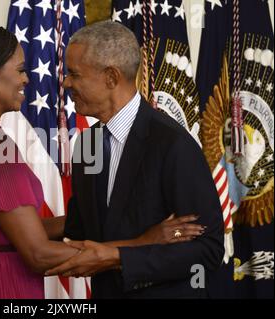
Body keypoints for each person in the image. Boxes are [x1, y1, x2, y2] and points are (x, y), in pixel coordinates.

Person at [0, 23, 205, 299]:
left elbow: (1, 228)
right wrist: (141, 243)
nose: (26, 80)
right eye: (20, 70)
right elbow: (38, 254)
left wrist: (95, 218)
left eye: (73, 73)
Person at [46, 21, 225, 299]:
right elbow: (83, 227)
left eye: (74, 74)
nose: (66, 82)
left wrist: (119, 256)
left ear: (111, 77)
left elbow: (207, 248)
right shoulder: (87, 143)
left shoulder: (173, 144)